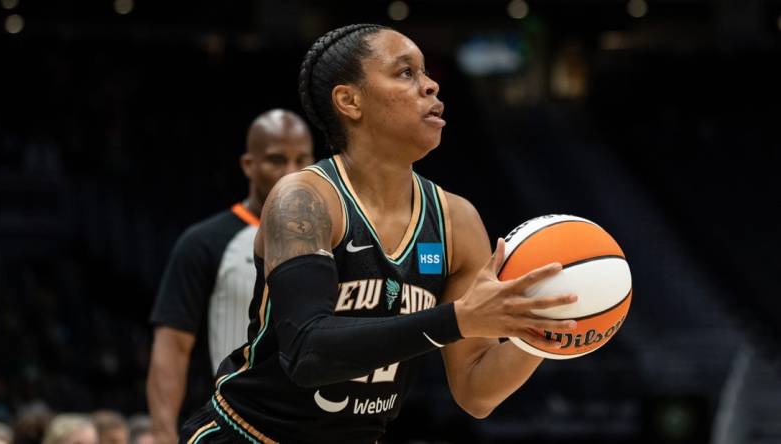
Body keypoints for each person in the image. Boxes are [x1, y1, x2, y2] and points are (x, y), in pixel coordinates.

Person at [179, 24, 579, 443]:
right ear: (349, 101)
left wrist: (540, 334)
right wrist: (456, 319)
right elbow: (307, 353)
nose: (430, 85)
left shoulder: (456, 220)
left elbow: (476, 392)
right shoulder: (305, 199)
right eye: (406, 72)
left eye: (426, 73)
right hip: (247, 434)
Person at [146, 110, 314, 444]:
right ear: (248, 165)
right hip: (232, 427)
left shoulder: (335, 238)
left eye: (302, 160)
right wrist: (163, 433)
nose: (291, 172)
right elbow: (172, 348)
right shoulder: (204, 242)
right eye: (277, 160)